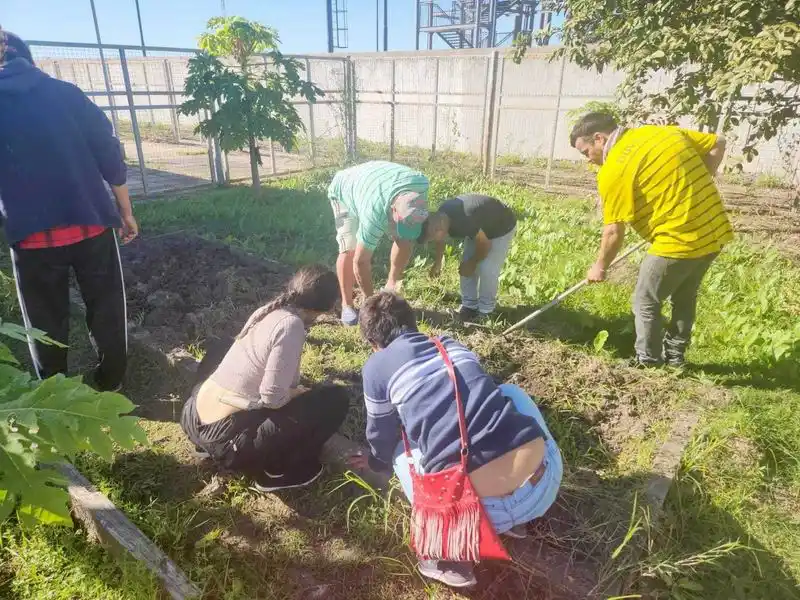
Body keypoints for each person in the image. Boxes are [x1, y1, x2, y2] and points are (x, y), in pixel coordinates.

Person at [349, 291, 562, 589]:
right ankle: (518, 523)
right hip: (544, 483)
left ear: (374, 345)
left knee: (401, 447)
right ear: (414, 323)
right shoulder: (448, 343)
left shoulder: (376, 367)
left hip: (475, 517)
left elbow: (379, 435)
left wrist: (376, 463)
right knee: (511, 393)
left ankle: (450, 555)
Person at [0, 31, 138, 391]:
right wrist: (125, 210)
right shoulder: (67, 94)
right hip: (91, 226)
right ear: (29, 59)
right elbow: (108, 152)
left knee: (43, 321)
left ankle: (55, 393)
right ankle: (111, 382)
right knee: (106, 307)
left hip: (31, 238)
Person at [570, 112, 732, 367]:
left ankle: (648, 361)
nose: (589, 160)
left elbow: (613, 230)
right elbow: (717, 142)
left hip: (678, 239)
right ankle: (675, 358)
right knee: (684, 295)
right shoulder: (657, 132)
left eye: (586, 152)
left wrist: (600, 266)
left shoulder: (613, 169)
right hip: (714, 229)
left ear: (599, 139)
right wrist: (699, 180)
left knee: (645, 301)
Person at [181, 265, 350, 492]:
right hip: (228, 443)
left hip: (193, 418)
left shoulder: (270, 310)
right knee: (335, 398)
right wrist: (298, 392)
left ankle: (205, 447)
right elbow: (272, 399)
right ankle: (279, 471)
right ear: (328, 306)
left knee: (223, 345)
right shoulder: (291, 325)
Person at [327, 160, 429, 326]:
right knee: (350, 248)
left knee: (403, 239)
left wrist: (390, 286)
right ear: (392, 211)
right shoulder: (374, 214)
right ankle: (347, 305)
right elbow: (361, 261)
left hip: (374, 179)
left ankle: (391, 284)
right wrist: (372, 303)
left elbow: (405, 239)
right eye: (399, 225)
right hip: (345, 188)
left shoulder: (422, 185)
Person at [419, 194, 517, 321]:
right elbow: (439, 239)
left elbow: (484, 244)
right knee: (465, 264)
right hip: (480, 228)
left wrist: (473, 263)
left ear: (440, 226)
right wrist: (438, 263)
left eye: (432, 237)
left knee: (487, 269)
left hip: (502, 226)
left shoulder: (465, 220)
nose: (434, 240)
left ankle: (486, 311)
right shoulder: (439, 218)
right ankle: (469, 306)